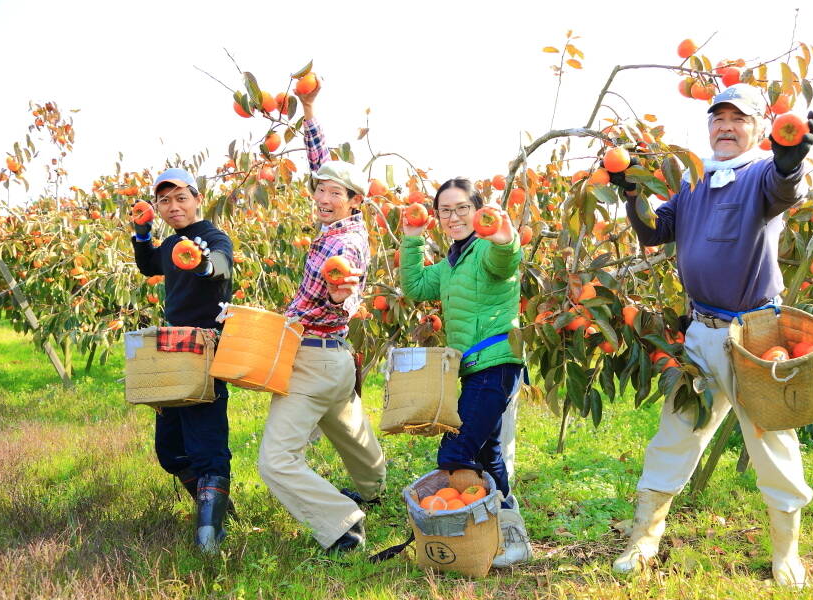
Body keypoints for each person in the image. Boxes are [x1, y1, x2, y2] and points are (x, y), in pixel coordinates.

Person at [612, 84, 813, 588]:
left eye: (737, 119)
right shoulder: (695, 181)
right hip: (701, 332)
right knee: (676, 433)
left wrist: (789, 159)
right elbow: (654, 233)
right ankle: (645, 537)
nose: (725, 126)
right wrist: (631, 192)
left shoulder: (760, 175)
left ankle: (785, 551)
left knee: (772, 443)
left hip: (754, 337)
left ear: (757, 127)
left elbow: (786, 187)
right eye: (717, 118)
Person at [257, 81, 386, 554]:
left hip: (311, 360)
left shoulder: (343, 243)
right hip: (337, 363)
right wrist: (309, 113)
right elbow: (322, 165)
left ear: (354, 200)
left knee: (276, 461)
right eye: (321, 192)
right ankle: (373, 487)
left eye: (336, 194)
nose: (324, 198)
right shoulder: (347, 224)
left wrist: (339, 296)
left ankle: (342, 524)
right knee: (347, 428)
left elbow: (343, 288)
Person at [400, 177, 532, 567]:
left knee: (456, 451)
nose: (454, 216)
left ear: (478, 211)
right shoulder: (449, 264)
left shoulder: (486, 251)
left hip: (496, 363)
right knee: (488, 454)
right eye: (445, 210)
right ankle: (511, 535)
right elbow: (414, 286)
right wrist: (411, 238)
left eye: (462, 208)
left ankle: (462, 530)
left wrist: (505, 239)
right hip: (471, 369)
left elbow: (504, 260)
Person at [131, 167, 235, 553]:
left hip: (205, 347)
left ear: (196, 199)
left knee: (206, 441)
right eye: (164, 201)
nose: (173, 207)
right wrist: (142, 234)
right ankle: (219, 507)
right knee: (171, 449)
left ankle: (211, 533)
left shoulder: (211, 238)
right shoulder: (173, 243)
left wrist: (204, 264)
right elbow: (150, 266)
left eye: (180, 198)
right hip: (171, 347)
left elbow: (221, 265)